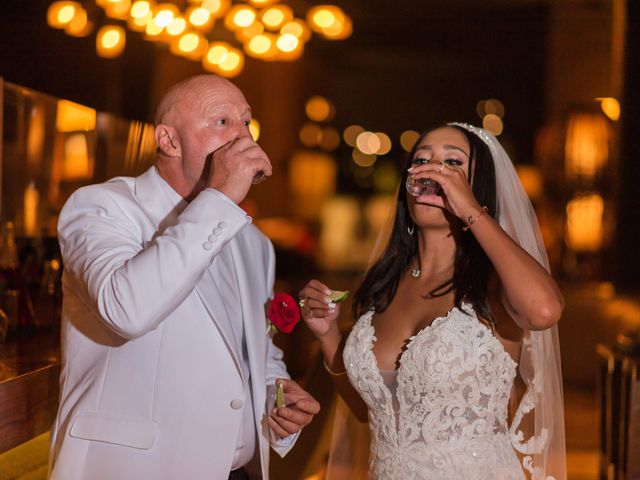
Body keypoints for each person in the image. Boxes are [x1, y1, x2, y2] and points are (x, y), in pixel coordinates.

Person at [49, 74, 320, 480]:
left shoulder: (253, 242)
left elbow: (253, 353)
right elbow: (127, 309)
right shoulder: (102, 207)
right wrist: (221, 198)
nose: (243, 136)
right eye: (222, 122)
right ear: (169, 141)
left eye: (247, 122)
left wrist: (276, 394)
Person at [300, 123, 566, 479]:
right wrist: (328, 335)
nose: (434, 172)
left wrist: (470, 211)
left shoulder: (494, 283)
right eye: (423, 160)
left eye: (452, 163)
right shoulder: (383, 283)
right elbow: (371, 410)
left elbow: (545, 310)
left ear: (476, 188)